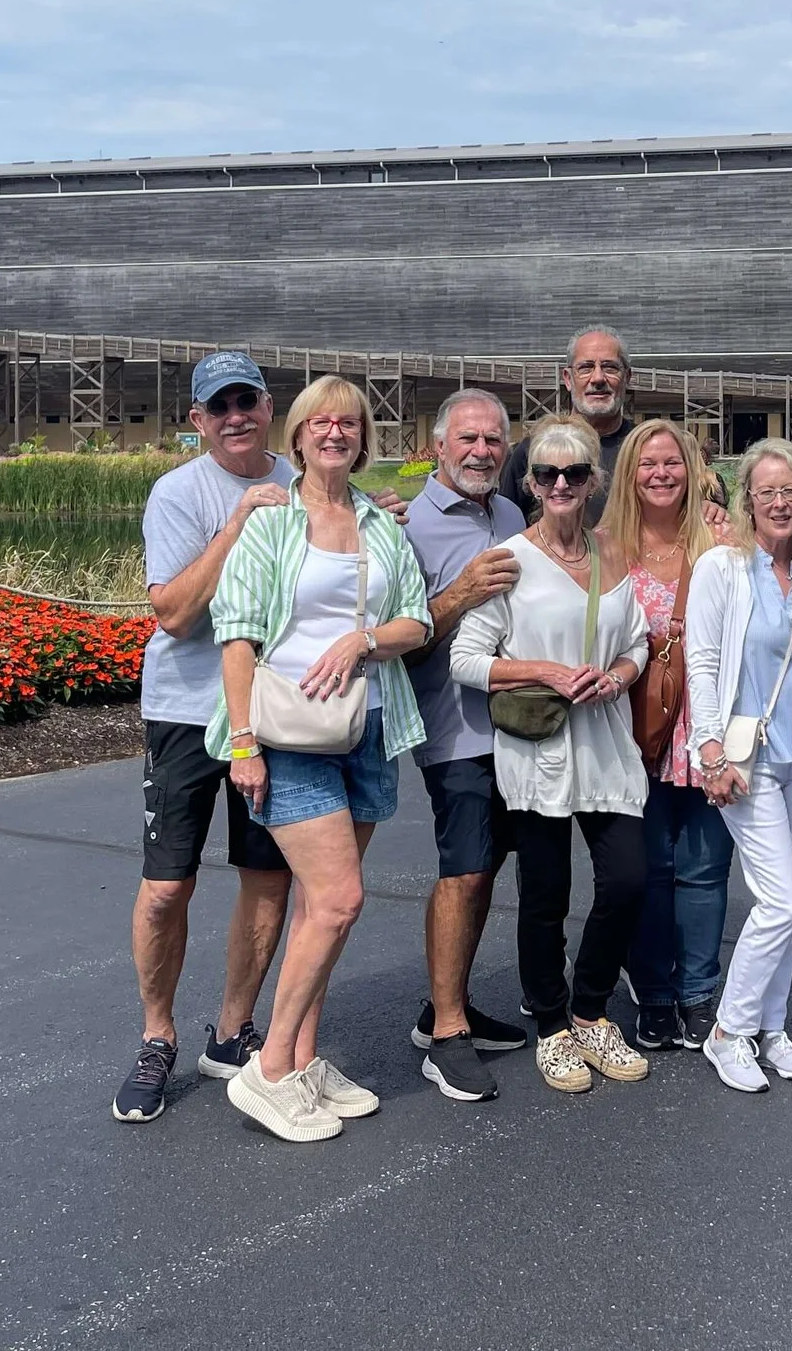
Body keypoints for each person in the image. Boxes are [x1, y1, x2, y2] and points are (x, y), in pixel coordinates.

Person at [213, 377, 435, 1144]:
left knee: (318, 908)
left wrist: (362, 639)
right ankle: (269, 1068)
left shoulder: (377, 521)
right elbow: (236, 634)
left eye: (349, 422)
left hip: (367, 727)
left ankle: (305, 1059)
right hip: (286, 733)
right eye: (321, 422)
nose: (334, 432)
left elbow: (418, 618)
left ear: (361, 437)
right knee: (340, 898)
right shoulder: (273, 521)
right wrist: (243, 741)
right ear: (299, 436)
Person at [114, 352, 297, 1126]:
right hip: (188, 710)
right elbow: (176, 614)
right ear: (196, 420)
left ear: (267, 404)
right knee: (166, 887)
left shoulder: (303, 481)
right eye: (217, 406)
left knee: (266, 875)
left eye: (245, 400)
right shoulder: (177, 493)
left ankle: (232, 1029)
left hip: (273, 709)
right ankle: (158, 1035)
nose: (235, 417)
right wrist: (238, 524)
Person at [452, 417, 654, 1094]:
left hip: (605, 743)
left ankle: (591, 1006)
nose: (560, 484)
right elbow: (466, 659)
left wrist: (621, 674)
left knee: (627, 878)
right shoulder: (512, 559)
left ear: (593, 478)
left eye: (573, 472)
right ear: (531, 481)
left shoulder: (614, 556)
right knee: (545, 894)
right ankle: (550, 1022)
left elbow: (639, 643)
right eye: (546, 473)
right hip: (538, 750)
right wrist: (543, 670)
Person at [686, 439, 792, 1094]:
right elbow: (702, 661)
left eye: (791, 490)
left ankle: (772, 1031)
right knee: (781, 900)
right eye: (766, 491)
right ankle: (729, 1030)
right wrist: (710, 750)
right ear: (747, 499)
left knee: (788, 903)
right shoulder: (724, 567)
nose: (780, 502)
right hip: (750, 761)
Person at [401, 388, 532, 1101]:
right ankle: (446, 1036)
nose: (481, 451)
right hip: (455, 729)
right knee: (464, 869)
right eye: (468, 439)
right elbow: (397, 644)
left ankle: (442, 1006)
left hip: (515, 724)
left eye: (492, 441)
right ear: (440, 445)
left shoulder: (508, 512)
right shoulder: (409, 525)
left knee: (488, 865)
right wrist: (457, 594)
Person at [607, 418, 730, 1051]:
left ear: (692, 468)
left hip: (705, 727)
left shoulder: (721, 542)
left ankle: (700, 994)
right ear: (630, 473)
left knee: (705, 867)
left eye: (672, 462)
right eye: (647, 464)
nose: (661, 474)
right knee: (647, 868)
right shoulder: (607, 547)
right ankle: (654, 994)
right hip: (632, 728)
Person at [501, 325, 635, 523]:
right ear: (568, 379)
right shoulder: (533, 450)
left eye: (610, 367)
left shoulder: (643, 448)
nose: (598, 378)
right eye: (586, 368)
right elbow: (508, 524)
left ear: (627, 377)